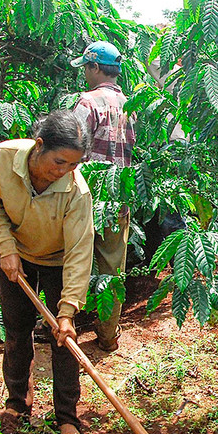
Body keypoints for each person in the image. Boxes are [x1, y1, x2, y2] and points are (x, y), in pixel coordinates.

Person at [0, 110, 94, 434]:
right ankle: (18, 406)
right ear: (39, 145)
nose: (64, 171)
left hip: (59, 261)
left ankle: (67, 419)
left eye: (73, 165)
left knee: (64, 340)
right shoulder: (3, 158)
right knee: (17, 331)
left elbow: (79, 252)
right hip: (17, 254)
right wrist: (6, 247)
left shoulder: (77, 192)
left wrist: (67, 311)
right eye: (60, 162)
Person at [71, 40, 135, 352]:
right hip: (118, 198)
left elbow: (71, 148)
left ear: (95, 68)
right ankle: (108, 335)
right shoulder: (130, 103)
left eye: (86, 67)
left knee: (69, 260)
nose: (84, 73)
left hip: (85, 197)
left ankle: (60, 324)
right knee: (112, 268)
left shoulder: (86, 103)